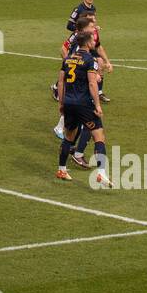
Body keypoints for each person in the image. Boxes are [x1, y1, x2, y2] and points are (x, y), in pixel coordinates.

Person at [56, 31, 110, 187]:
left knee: (69, 137)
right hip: (84, 104)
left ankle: (61, 169)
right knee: (99, 136)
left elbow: (61, 82)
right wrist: (98, 104)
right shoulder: (89, 60)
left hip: (68, 103)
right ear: (87, 43)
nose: (94, 42)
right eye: (92, 40)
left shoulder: (68, 59)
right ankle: (101, 174)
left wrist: (61, 103)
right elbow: (93, 84)